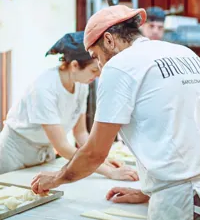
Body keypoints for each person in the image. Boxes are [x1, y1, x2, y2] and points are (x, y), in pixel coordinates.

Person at [31, 6, 200, 220]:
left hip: (185, 200)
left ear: (109, 40)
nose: (99, 64)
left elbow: (95, 152)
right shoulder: (184, 53)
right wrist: (147, 190)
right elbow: (182, 128)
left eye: (96, 55)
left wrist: (56, 178)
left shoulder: (119, 66)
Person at [0, 31, 138, 181]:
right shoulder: (44, 88)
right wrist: (108, 172)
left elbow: (81, 134)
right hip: (13, 154)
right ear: (74, 65)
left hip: (43, 154)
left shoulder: (81, 85)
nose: (98, 75)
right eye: (94, 70)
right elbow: (62, 146)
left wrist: (102, 159)